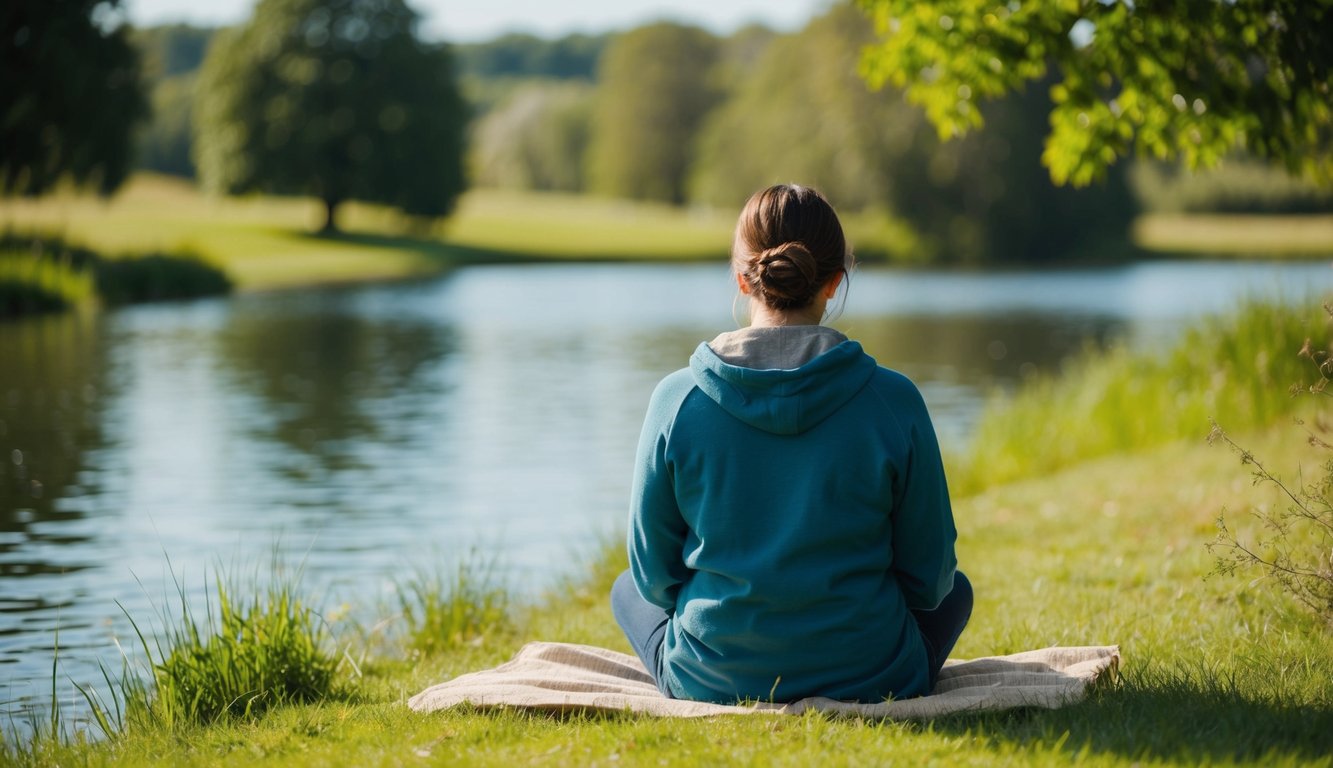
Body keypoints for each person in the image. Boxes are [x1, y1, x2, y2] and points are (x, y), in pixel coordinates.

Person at [610, 183, 972, 704]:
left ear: (741, 278)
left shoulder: (677, 400)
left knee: (625, 588)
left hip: (713, 678)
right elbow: (930, 579)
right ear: (834, 282)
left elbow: (653, 578)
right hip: (873, 676)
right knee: (957, 591)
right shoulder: (893, 400)